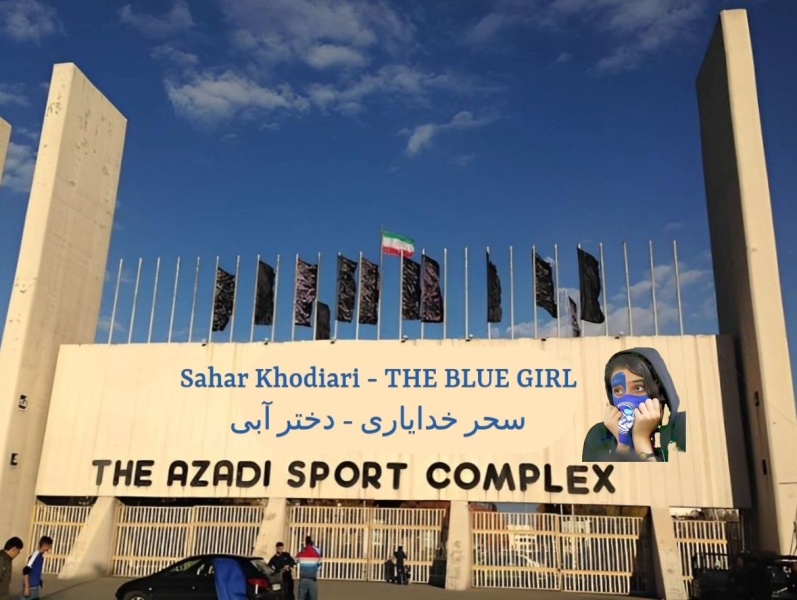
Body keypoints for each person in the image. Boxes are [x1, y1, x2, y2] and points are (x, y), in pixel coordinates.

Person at [582, 348, 687, 462]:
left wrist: (641, 439)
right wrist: (623, 444)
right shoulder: (599, 435)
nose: (627, 400)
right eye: (618, 391)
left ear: (661, 391)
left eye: (638, 388)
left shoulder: (683, 429)